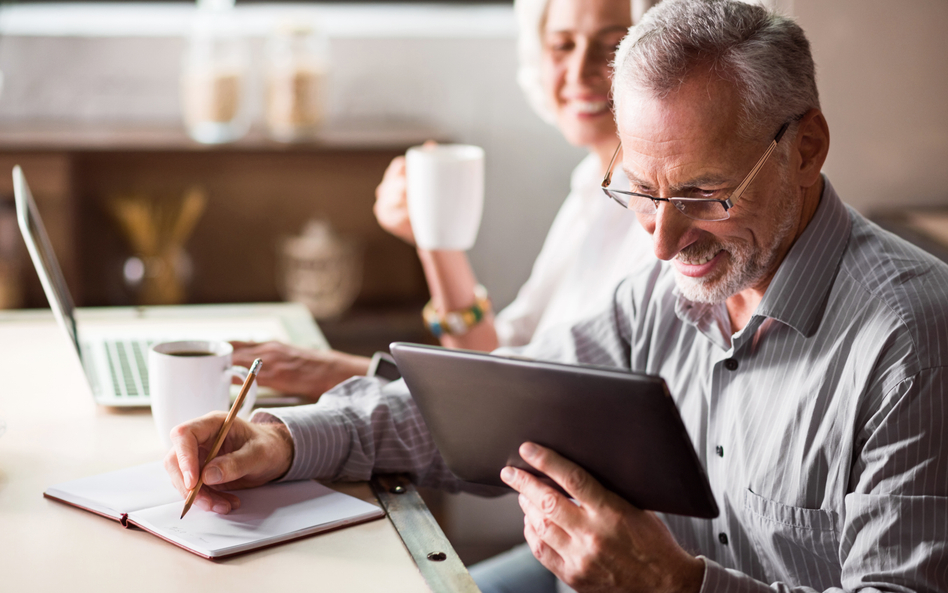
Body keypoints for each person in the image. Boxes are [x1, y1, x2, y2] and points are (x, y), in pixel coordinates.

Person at [164, 1, 948, 592]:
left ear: (805, 147)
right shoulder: (657, 296)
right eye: (639, 193)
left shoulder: (911, 340)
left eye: (708, 195)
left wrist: (678, 584)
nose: (662, 242)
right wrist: (287, 438)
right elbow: (494, 409)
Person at [229, 0, 656, 399]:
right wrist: (434, 239)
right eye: (562, 44)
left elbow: (513, 396)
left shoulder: (659, 219)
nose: (579, 70)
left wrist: (345, 373)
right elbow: (491, 353)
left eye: (613, 45)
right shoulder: (591, 187)